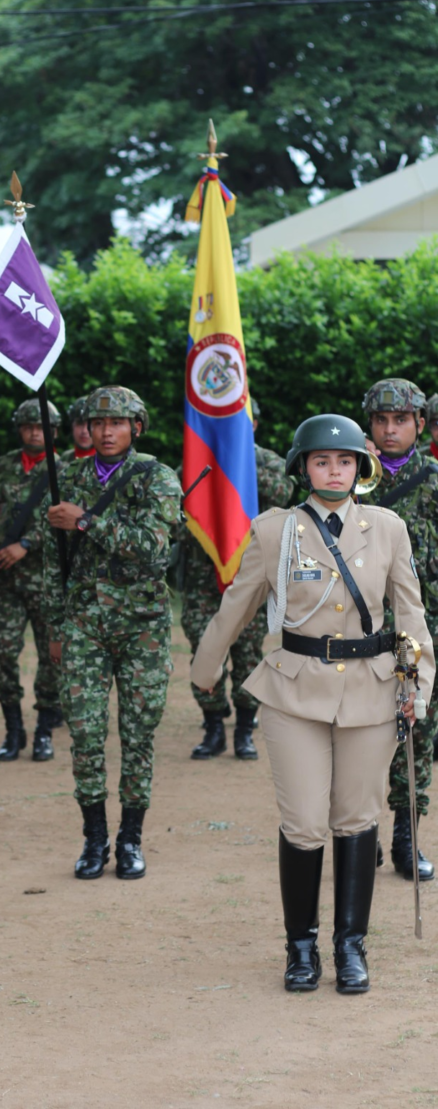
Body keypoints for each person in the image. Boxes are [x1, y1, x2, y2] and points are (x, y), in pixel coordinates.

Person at [191, 414, 434, 995]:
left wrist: (419, 685)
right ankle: (301, 948)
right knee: (303, 822)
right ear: (303, 467)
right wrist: (207, 665)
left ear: (361, 468)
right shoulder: (275, 530)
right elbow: (239, 602)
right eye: (322, 462)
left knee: (357, 819)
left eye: (345, 461)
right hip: (294, 688)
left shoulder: (388, 527)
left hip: (372, 688)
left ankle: (350, 948)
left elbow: (412, 611)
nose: (334, 470)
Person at [46, 386, 181, 880]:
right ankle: (94, 838)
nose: (106, 432)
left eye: (117, 423)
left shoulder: (157, 477)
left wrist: (86, 521)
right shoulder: (68, 476)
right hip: (82, 624)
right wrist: (55, 627)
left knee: (138, 733)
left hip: (142, 628)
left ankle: (130, 839)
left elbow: (153, 547)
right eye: (98, 424)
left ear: (136, 428)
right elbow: (50, 561)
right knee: (84, 732)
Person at [180, 397, 294, 760]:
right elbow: (182, 504)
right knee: (204, 649)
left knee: (247, 657)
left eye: (240, 422)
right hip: (203, 579)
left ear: (254, 425)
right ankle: (213, 725)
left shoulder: (269, 462)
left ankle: (244, 729)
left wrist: (237, 461)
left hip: (250, 579)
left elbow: (283, 495)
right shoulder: (199, 458)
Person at [362, 379, 438, 880]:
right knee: (358, 735)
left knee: (416, 732)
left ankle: (406, 838)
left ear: (419, 425)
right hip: (359, 633)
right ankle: (359, 833)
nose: (390, 430)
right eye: (381, 421)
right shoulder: (346, 473)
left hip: (418, 630)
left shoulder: (433, 480)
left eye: (401, 421)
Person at [0, 398, 63, 761]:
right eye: (28, 426)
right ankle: (13, 730)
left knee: (52, 657)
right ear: (19, 429)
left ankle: (44, 732)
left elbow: (72, 523)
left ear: (54, 431)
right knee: (1, 653)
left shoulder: (64, 471)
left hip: (48, 580)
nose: (35, 432)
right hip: (4, 580)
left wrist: (27, 542)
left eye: (42, 427)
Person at [60, 396, 95, 464]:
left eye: (90, 424)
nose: (84, 431)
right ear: (72, 426)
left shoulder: (108, 461)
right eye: (79, 423)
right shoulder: (65, 458)